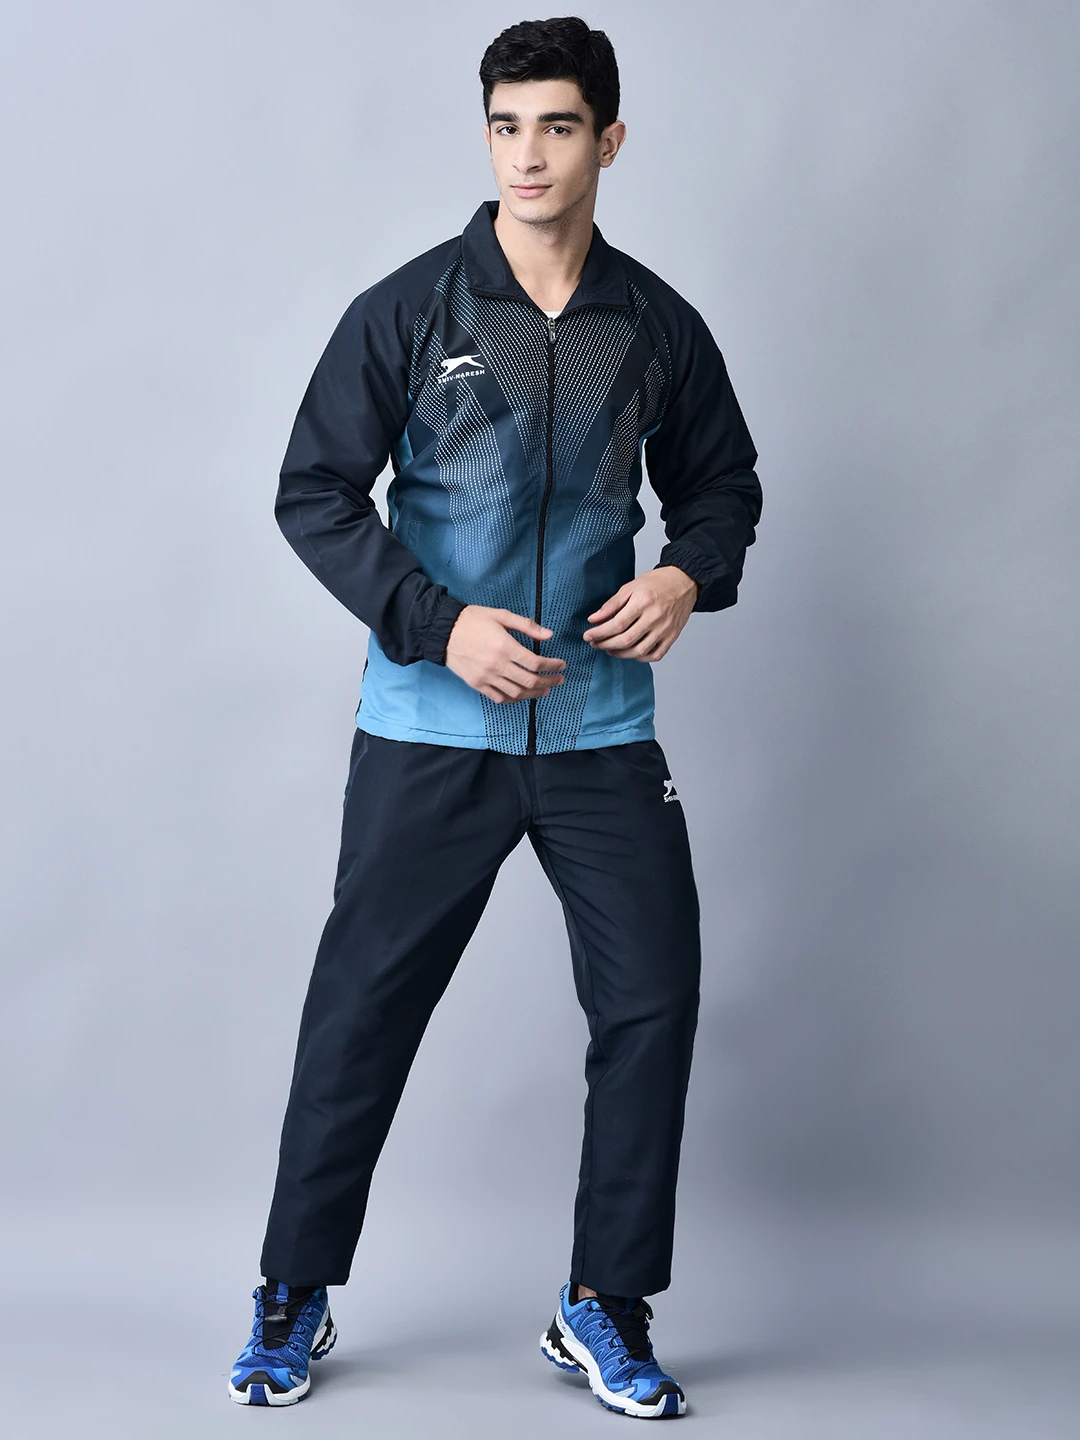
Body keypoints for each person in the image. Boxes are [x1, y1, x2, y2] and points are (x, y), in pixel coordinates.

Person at [228, 14, 762, 1421]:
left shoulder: (655, 325)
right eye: (506, 127)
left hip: (601, 734)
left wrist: (687, 576)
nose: (528, 155)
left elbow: (724, 487)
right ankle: (292, 1291)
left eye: (558, 127)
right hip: (430, 728)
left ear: (609, 142)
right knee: (362, 1011)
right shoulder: (410, 309)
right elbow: (312, 493)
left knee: (653, 1002)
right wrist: (438, 623)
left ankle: (604, 1303)